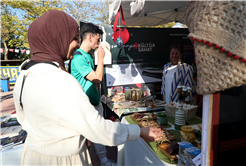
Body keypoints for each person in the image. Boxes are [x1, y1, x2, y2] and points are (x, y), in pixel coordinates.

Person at [13, 10, 161, 166]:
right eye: (73, 39)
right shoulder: (61, 79)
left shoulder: (24, 75)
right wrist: (139, 132)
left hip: (33, 156)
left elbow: (22, 118)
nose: (76, 43)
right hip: (62, 159)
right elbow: (98, 128)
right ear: (57, 38)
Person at [69, 23, 113, 166]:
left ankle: (104, 160)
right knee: (89, 136)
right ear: (90, 37)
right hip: (86, 106)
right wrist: (100, 57)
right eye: (98, 39)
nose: (99, 42)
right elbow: (97, 79)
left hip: (93, 103)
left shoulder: (86, 55)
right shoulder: (78, 57)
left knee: (98, 133)